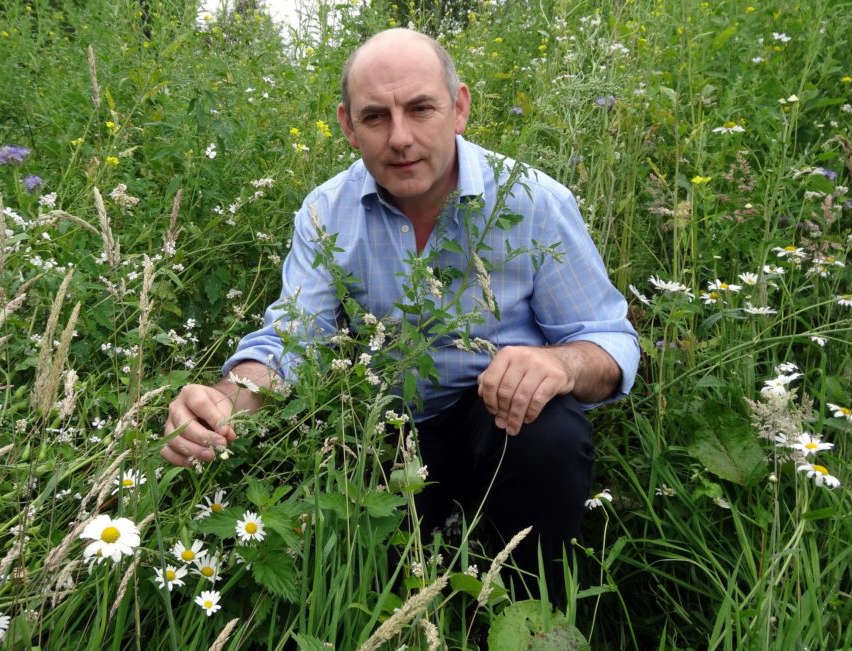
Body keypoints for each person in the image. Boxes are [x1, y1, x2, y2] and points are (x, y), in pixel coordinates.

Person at [162, 28, 639, 603]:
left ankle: (532, 608)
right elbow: (294, 338)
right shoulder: (326, 211)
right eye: (375, 117)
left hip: (496, 422)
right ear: (347, 127)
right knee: (362, 563)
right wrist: (226, 398)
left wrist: (560, 364)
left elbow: (608, 340)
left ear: (459, 107)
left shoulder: (535, 202)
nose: (401, 138)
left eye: (420, 108)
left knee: (552, 434)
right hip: (382, 432)